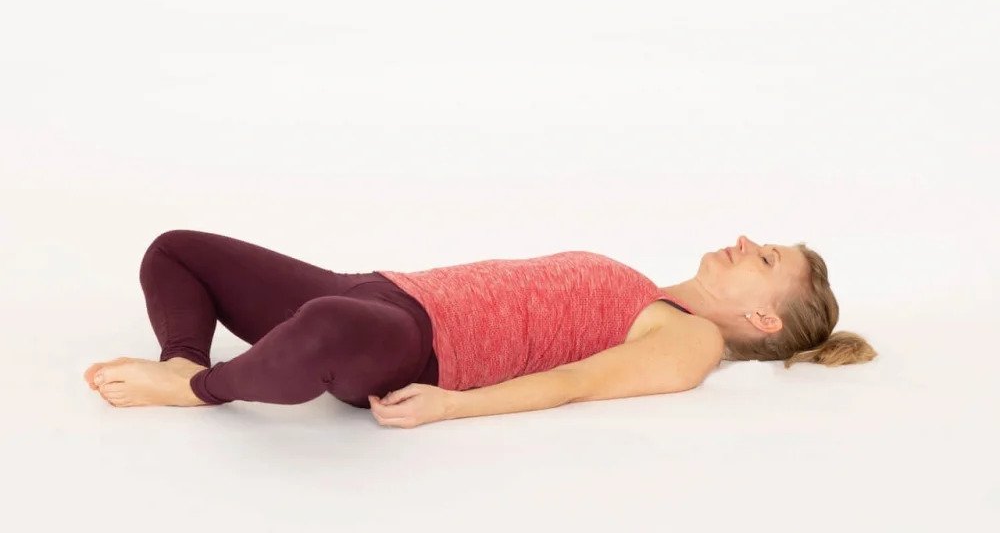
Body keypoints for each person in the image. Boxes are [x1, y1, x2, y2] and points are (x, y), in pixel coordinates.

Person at [83, 230, 876, 418]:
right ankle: (181, 356)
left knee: (324, 326)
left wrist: (451, 405)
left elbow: (576, 383)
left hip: (416, 347)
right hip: (383, 291)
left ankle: (197, 388)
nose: (744, 241)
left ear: (762, 316)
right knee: (177, 251)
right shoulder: (645, 287)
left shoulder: (692, 339)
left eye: (764, 258)